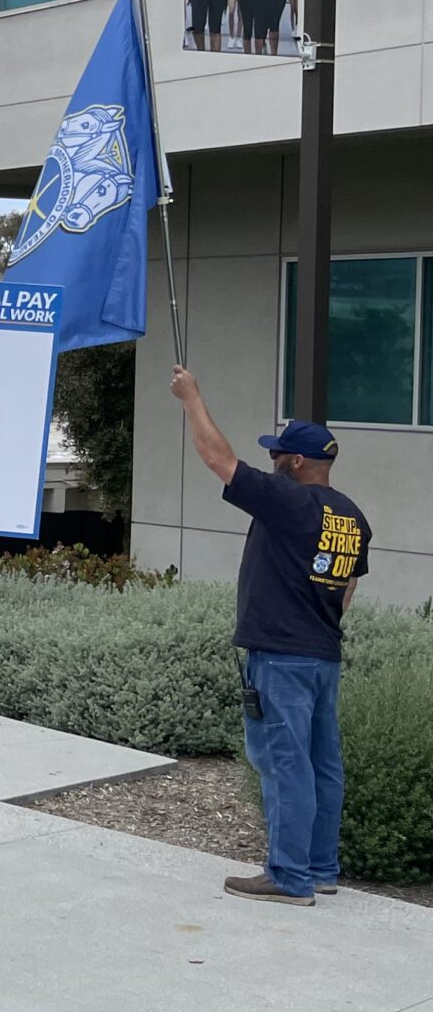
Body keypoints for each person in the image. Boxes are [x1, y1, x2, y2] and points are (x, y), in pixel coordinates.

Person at [170, 371, 371, 904]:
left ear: (297, 463)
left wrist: (193, 398)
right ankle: (322, 868)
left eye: (280, 453)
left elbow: (220, 461)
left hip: (281, 658)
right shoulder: (352, 515)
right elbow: (347, 584)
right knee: (323, 765)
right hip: (323, 655)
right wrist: (319, 621)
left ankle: (288, 876)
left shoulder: (289, 501)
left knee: (285, 765)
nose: (274, 459)